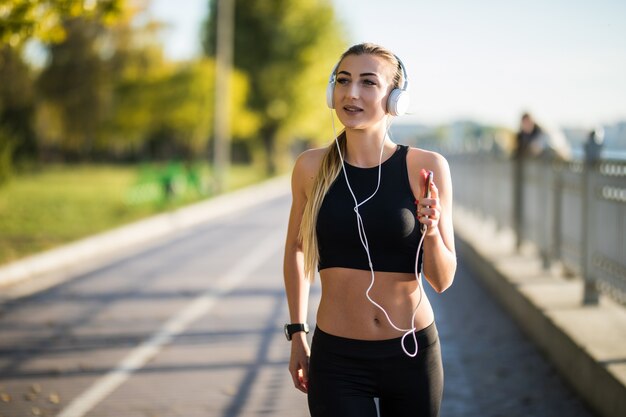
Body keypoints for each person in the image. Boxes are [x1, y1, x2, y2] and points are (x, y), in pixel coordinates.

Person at [283, 43, 456, 417]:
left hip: (413, 354)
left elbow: (442, 280)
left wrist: (429, 230)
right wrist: (298, 331)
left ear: (395, 99)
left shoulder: (426, 168)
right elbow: (296, 250)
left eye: (367, 82)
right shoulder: (311, 168)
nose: (352, 93)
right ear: (332, 92)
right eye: (343, 81)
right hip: (338, 360)